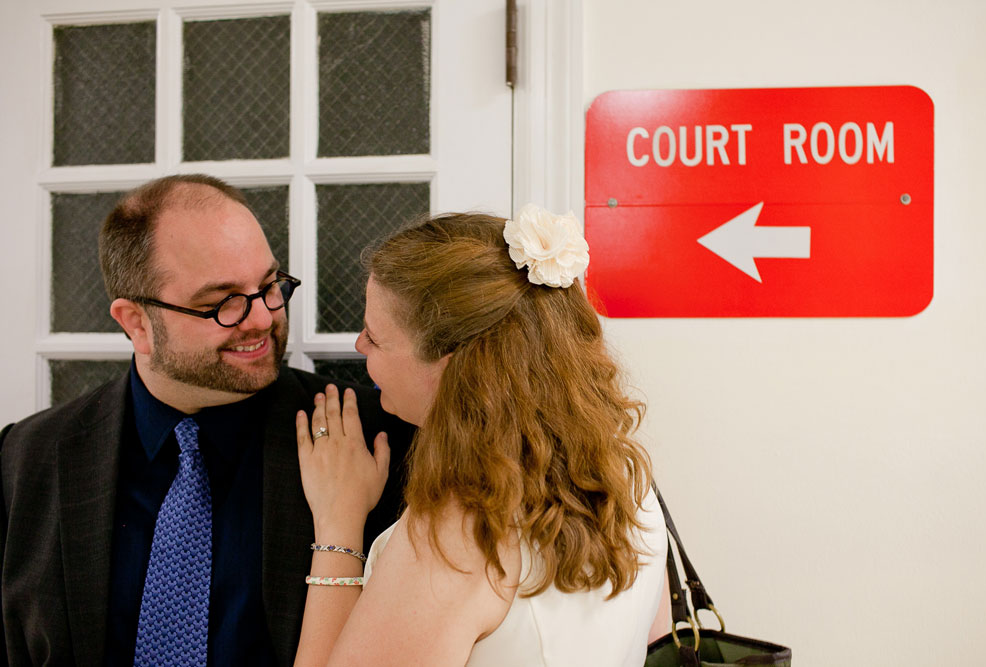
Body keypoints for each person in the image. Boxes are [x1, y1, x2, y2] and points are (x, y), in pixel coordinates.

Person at [0, 174, 413, 666]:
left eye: (268, 286)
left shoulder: (380, 438)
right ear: (136, 322)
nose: (261, 319)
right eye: (221, 303)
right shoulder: (25, 457)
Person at [293, 206, 668, 665]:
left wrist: (338, 525)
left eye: (375, 336)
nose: (359, 346)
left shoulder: (460, 534)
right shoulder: (628, 482)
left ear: (451, 368)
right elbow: (653, 638)